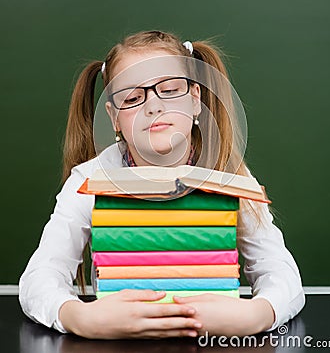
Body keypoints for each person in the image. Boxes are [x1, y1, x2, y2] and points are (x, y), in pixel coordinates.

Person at [19, 30, 305, 340]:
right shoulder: (89, 180)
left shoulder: (228, 174)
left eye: (169, 89)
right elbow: (39, 279)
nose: (153, 106)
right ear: (113, 117)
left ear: (196, 99)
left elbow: (281, 273)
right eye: (131, 97)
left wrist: (257, 314)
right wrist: (79, 317)